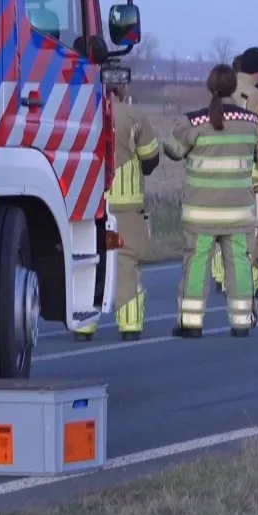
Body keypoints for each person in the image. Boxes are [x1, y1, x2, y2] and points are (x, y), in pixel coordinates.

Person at [161, 64, 258, 337]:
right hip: (238, 212)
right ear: (234, 87)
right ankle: (242, 321)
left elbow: (172, 151)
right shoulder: (251, 122)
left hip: (201, 213)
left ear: (210, 87)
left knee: (196, 264)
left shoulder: (195, 121)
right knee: (239, 264)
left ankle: (191, 323)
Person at [95, 76, 160, 341]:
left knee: (87, 262)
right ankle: (130, 325)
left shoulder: (78, 110)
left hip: (88, 202)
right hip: (125, 202)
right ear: (121, 88)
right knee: (126, 262)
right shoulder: (133, 116)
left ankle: (83, 327)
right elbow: (150, 158)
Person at [215, 47, 258, 300]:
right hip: (254, 174)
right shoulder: (257, 96)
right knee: (257, 226)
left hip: (224, 169)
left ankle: (224, 276)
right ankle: (249, 280)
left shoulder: (222, 93)